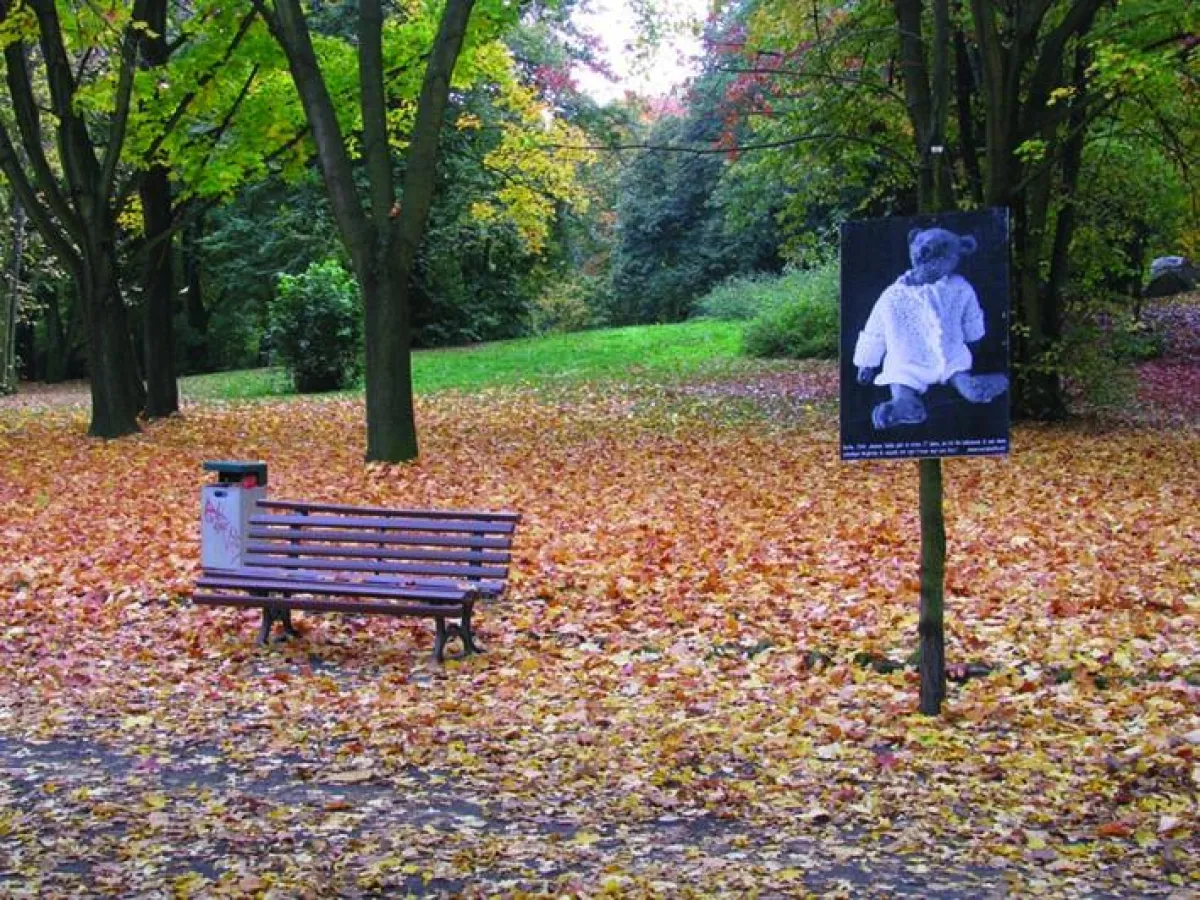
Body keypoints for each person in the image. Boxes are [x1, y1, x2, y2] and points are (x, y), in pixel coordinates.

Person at [853, 226, 1008, 430]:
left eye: (941, 251)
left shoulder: (959, 287)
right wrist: (867, 362)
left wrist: (974, 336)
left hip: (950, 354)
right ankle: (902, 403)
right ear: (912, 245)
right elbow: (875, 329)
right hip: (906, 359)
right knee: (899, 377)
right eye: (920, 245)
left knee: (958, 369)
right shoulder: (892, 294)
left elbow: (971, 313)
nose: (925, 251)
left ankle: (971, 387)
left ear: (960, 251)